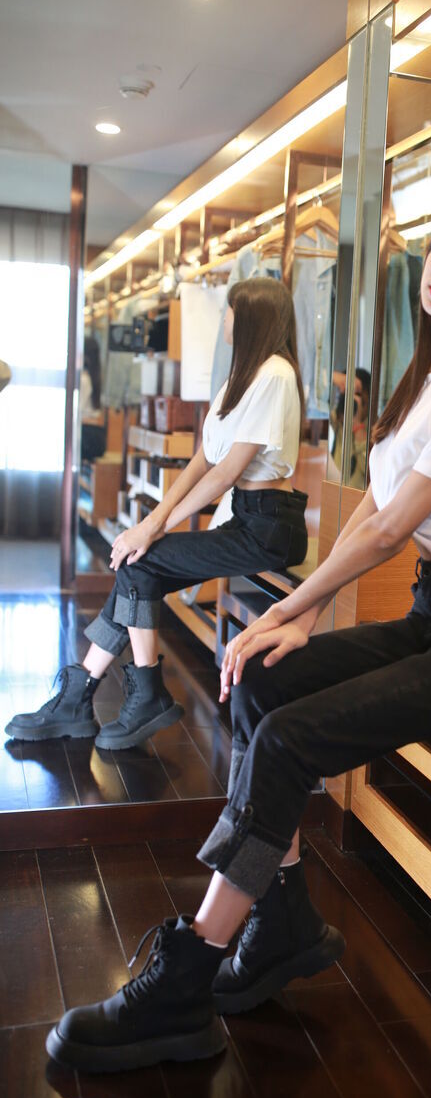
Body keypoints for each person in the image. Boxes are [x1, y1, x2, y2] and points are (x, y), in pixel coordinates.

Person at [44, 197, 431, 1074]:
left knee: (287, 738)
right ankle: (281, 919)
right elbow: (376, 508)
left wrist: (291, 606)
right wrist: (308, 611)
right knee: (259, 683)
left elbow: (388, 530)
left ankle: (188, 976)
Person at [6, 278, 308, 751]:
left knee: (140, 562)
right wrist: (152, 524)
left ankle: (133, 695)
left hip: (270, 528)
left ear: (250, 317)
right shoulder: (244, 376)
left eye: (229, 311)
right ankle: (84, 696)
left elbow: (227, 472)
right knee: (137, 566)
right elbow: (204, 460)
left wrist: (153, 527)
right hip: (248, 518)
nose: (223, 319)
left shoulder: (275, 374)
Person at [80, 334, 107, 462]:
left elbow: (77, 411)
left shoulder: (84, 379)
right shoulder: (95, 378)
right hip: (95, 436)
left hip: (85, 437)